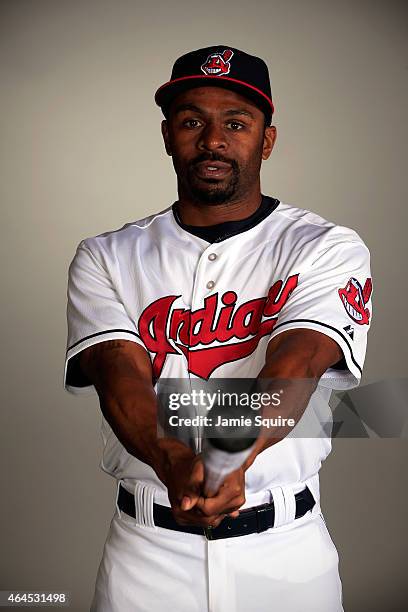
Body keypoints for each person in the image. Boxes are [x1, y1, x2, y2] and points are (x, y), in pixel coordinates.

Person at [64, 45, 373, 612]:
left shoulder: (325, 246)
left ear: (267, 140)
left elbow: (296, 365)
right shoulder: (106, 256)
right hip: (146, 556)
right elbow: (119, 379)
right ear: (167, 136)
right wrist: (173, 460)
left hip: (286, 556)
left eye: (236, 122)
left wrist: (227, 458)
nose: (212, 140)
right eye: (191, 122)